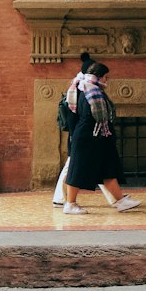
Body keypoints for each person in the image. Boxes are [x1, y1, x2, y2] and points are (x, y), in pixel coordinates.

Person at [63, 62, 142, 214]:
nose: (107, 80)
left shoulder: (84, 88)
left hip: (97, 136)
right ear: (98, 77)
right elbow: (88, 117)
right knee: (77, 170)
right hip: (88, 138)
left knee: (107, 169)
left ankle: (121, 201)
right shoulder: (91, 92)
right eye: (106, 77)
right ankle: (70, 204)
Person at [52, 51, 95, 205]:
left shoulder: (78, 87)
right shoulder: (78, 90)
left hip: (79, 134)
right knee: (71, 165)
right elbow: (72, 116)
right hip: (78, 135)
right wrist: (74, 136)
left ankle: (115, 197)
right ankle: (59, 197)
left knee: (96, 164)